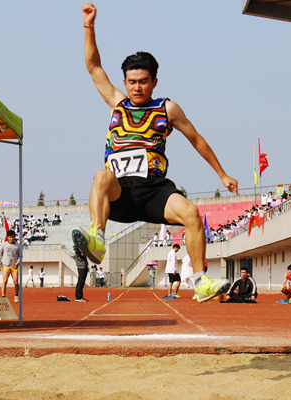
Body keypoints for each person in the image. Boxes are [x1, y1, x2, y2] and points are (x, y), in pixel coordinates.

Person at [71, 3, 235, 303]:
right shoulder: (117, 102)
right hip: (120, 191)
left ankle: (201, 283)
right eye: (132, 82)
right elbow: (93, 67)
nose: (137, 88)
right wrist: (89, 26)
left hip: (154, 189)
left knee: (191, 213)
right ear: (124, 82)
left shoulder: (167, 109)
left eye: (143, 81)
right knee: (101, 176)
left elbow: (197, 139)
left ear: (154, 82)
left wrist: (222, 174)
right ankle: (97, 240)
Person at [0, 230, 20, 302]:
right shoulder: (4, 244)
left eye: (13, 237)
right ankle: (3, 296)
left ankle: (16, 295)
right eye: (10, 237)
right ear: (8, 237)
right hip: (6, 266)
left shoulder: (18, 245)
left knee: (16, 282)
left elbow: (20, 255)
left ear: (15, 237)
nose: (11, 238)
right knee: (5, 281)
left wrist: (18, 262)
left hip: (14, 267)